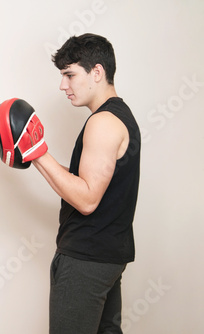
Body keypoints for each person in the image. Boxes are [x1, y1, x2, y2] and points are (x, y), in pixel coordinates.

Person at [30, 33, 141, 333]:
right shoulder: (119, 116)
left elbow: (88, 199)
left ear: (97, 72)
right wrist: (37, 159)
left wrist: (37, 152)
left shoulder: (103, 122)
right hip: (104, 257)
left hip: (85, 260)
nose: (62, 85)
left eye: (69, 75)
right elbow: (91, 181)